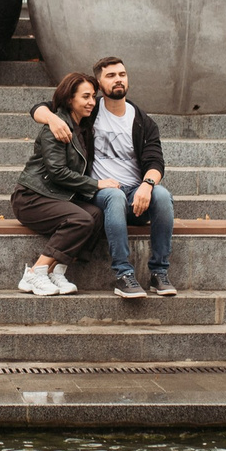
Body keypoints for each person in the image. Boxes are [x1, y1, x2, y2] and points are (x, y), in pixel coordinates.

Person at [32, 55, 174, 300]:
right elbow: (39, 108)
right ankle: (123, 274)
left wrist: (147, 185)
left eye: (122, 74)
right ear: (99, 84)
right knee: (114, 196)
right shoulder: (90, 110)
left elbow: (155, 161)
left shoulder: (142, 121)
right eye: (110, 76)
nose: (118, 80)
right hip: (100, 193)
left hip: (136, 195)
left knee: (162, 195)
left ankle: (159, 273)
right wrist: (53, 119)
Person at [9, 72, 102, 295]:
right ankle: (34, 272)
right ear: (70, 99)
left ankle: (56, 271)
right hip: (32, 197)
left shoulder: (82, 125)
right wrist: (97, 185)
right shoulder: (57, 128)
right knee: (80, 219)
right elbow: (57, 172)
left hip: (56, 196)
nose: (91, 102)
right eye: (85, 97)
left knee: (96, 215)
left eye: (93, 96)